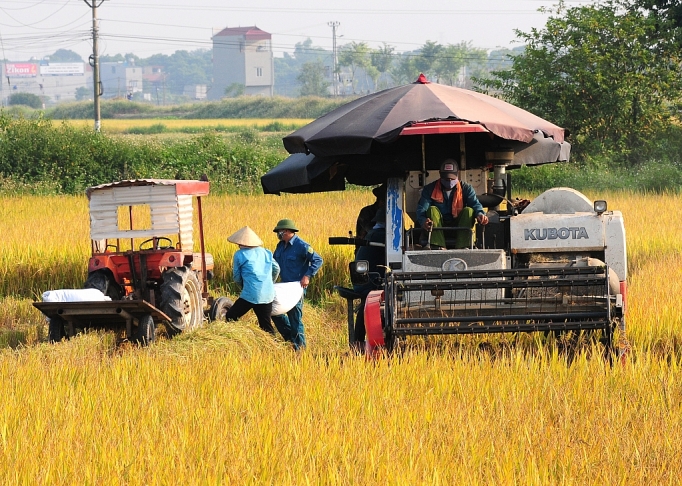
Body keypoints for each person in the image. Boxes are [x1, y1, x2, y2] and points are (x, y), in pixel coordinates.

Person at [271, 219, 323, 349]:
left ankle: (300, 348)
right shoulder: (280, 246)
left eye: (280, 231)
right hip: (283, 286)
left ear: (287, 231)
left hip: (296, 288)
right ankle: (290, 339)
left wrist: (307, 275)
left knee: (294, 317)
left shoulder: (302, 246)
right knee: (275, 313)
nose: (278, 234)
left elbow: (317, 260)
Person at [416, 159, 489, 249]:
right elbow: (421, 210)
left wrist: (480, 214)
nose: (449, 181)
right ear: (440, 175)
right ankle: (438, 246)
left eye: (452, 178)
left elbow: (475, 204)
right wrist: (424, 221)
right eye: (446, 179)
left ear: (457, 174)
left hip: (459, 227)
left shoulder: (466, 189)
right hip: (436, 229)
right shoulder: (429, 189)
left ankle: (464, 246)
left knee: (469, 211)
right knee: (432, 210)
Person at [223, 226, 280, 334]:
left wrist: (244, 286)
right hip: (267, 294)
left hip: (250, 294)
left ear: (242, 243)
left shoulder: (239, 254)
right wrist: (270, 282)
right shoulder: (266, 252)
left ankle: (235, 337)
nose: (238, 245)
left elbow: (236, 276)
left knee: (231, 316)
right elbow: (277, 269)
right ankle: (272, 346)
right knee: (266, 324)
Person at [352, 208, 386, 351]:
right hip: (370, 280)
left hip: (363, 279)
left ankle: (359, 341)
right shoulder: (381, 236)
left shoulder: (372, 234)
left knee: (365, 304)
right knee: (372, 302)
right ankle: (365, 341)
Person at [355, 184, 386, 251]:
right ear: (381, 201)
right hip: (365, 249)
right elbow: (372, 231)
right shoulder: (366, 212)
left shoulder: (390, 213)